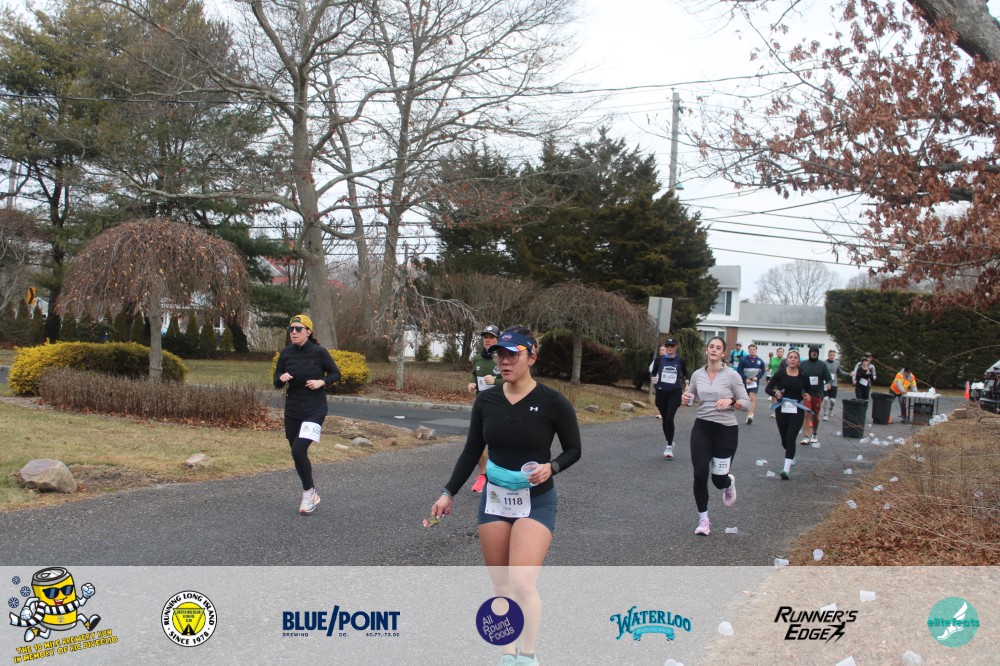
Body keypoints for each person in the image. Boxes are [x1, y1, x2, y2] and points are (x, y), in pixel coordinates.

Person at [431, 327, 580, 666]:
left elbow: (574, 449)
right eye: (500, 354)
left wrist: (553, 467)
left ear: (532, 357)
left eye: (512, 354)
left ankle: (528, 656)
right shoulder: (487, 400)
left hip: (536, 500)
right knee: (501, 586)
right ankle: (507, 655)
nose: (504, 361)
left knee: (522, 582)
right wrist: (448, 492)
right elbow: (472, 450)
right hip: (495, 500)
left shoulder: (553, 402)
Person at [273, 314, 342, 515]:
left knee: (298, 450)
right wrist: (281, 378)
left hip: (315, 410)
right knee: (297, 454)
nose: (293, 332)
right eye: (291, 329)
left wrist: (322, 382)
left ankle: (307, 494)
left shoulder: (319, 353)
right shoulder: (286, 353)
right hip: (293, 410)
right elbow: (276, 381)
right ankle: (312, 490)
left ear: (308, 332)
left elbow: (336, 374)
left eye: (298, 329)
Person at [681, 336, 749, 536]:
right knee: (700, 473)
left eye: (718, 348)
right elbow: (690, 398)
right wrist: (686, 398)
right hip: (702, 427)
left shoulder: (732, 375)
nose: (714, 350)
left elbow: (746, 404)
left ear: (723, 353)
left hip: (726, 430)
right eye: (711, 346)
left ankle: (728, 482)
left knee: (718, 480)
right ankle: (704, 520)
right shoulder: (697, 375)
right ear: (706, 350)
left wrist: (731, 401)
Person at [467, 325, 504, 492]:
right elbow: (474, 374)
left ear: (498, 339)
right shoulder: (477, 358)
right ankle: (483, 475)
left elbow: (513, 380)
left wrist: (496, 381)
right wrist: (472, 383)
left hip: (500, 406)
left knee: (498, 444)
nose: (488, 340)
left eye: (491, 337)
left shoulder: (503, 358)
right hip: (481, 406)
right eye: (485, 337)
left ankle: (499, 476)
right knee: (476, 443)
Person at [764, 349, 811, 479]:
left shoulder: (803, 375)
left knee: (791, 437)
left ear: (798, 361)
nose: (793, 359)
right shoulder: (780, 374)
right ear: (787, 360)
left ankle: (786, 469)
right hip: (782, 408)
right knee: (784, 439)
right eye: (790, 357)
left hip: (797, 409)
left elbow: (808, 390)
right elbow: (768, 388)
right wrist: (776, 393)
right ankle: (791, 454)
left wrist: (807, 395)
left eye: (795, 357)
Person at [649, 338, 688, 459]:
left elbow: (686, 374)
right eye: (667, 346)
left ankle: (669, 446)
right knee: (665, 419)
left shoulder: (680, 360)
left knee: (669, 418)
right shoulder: (659, 359)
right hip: (661, 392)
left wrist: (687, 382)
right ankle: (669, 440)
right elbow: (653, 373)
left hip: (674, 392)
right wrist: (653, 378)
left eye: (672, 346)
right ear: (665, 347)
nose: (669, 348)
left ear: (676, 347)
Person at [798, 346, 832, 445]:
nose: (814, 353)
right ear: (809, 353)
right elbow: (798, 376)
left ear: (818, 353)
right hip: (806, 392)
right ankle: (805, 436)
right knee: (806, 413)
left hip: (817, 393)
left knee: (815, 415)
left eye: (815, 352)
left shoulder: (822, 365)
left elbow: (828, 378)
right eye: (812, 352)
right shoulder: (803, 364)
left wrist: (829, 383)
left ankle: (814, 433)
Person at [737, 344, 766, 425]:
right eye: (750, 349)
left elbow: (763, 370)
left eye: (754, 349)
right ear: (748, 350)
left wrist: (757, 377)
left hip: (754, 382)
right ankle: (745, 409)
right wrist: (745, 378)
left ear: (756, 350)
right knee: (744, 398)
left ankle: (750, 415)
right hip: (745, 382)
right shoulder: (743, 360)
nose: (752, 351)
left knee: (752, 398)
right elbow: (739, 371)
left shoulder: (760, 361)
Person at [821, 349, 852, 421]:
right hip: (826, 383)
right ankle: (825, 414)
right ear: (828, 355)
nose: (832, 356)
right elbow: (821, 372)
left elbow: (840, 372)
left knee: (832, 401)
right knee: (825, 399)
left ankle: (831, 409)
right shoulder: (824, 363)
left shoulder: (837, 363)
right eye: (831, 355)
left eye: (833, 355)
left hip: (834, 384)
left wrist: (848, 374)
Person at [768, 348, 785, 418]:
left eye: (781, 352)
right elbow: (769, 367)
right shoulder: (772, 360)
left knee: (782, 394)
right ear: (776, 352)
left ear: (783, 353)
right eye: (778, 351)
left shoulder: (785, 361)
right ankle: (774, 411)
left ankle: (782, 410)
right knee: (774, 395)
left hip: (782, 380)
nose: (780, 353)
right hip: (774, 379)